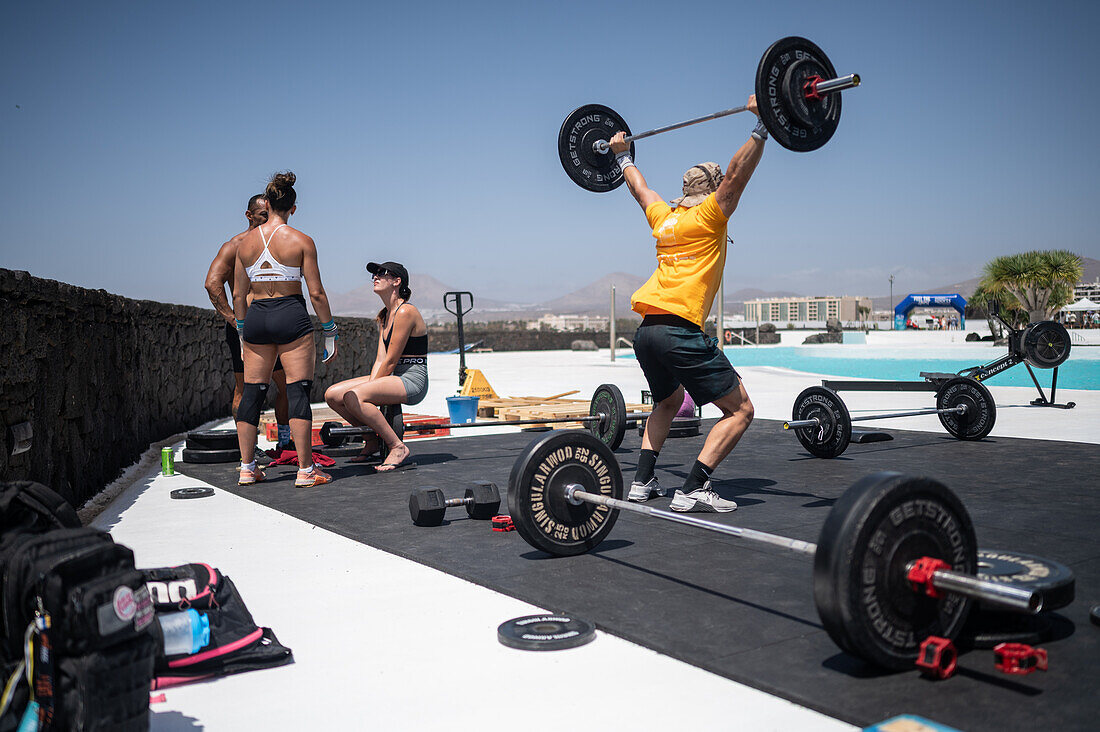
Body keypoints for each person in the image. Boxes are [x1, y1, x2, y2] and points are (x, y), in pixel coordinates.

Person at [607, 95, 765, 513]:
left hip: (647, 332)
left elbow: (640, 189)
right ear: (712, 192)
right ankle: (694, 486)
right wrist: (763, 125)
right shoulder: (711, 216)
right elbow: (736, 176)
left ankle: (642, 481)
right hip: (679, 331)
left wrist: (621, 156)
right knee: (741, 410)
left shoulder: (665, 219)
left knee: (668, 401)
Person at [232, 172, 339, 487]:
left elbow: (239, 295)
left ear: (267, 204)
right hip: (291, 315)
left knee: (252, 394)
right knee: (297, 392)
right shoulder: (301, 240)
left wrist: (241, 332)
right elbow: (316, 293)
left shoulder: (244, 244)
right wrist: (330, 331)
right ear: (293, 207)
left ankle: (247, 469)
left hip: (256, 319)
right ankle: (306, 471)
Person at [204, 194, 293, 450]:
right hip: (246, 328)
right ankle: (249, 450)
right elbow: (212, 283)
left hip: (274, 323)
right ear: (249, 215)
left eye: (271, 213)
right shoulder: (234, 245)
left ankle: (285, 443)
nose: (269, 218)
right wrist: (235, 321)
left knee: (287, 384)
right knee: (245, 389)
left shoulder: (278, 241)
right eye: (263, 215)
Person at [323, 261, 428, 471]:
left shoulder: (406, 312)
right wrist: (369, 390)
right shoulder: (385, 315)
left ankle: (397, 447)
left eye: (382, 273)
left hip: (412, 379)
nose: (375, 277)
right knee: (332, 395)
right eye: (374, 274)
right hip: (393, 377)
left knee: (354, 396)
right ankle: (370, 439)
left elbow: (390, 360)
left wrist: (366, 394)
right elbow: (380, 360)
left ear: (397, 281)